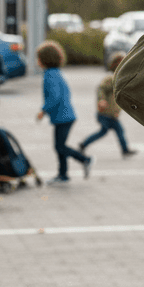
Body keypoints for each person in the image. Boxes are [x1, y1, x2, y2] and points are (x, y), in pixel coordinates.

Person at [35, 40, 92, 185]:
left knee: (60, 147)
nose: (37, 61)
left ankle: (85, 160)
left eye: (38, 58)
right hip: (65, 116)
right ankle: (63, 175)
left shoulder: (49, 75)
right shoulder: (56, 73)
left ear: (44, 60)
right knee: (60, 146)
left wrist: (43, 110)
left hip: (63, 117)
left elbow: (55, 97)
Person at [78, 53, 137, 158]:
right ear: (115, 65)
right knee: (113, 132)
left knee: (106, 132)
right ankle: (125, 150)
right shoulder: (111, 78)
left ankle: (83, 145)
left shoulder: (120, 78)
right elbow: (101, 89)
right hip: (105, 114)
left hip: (111, 114)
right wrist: (101, 100)